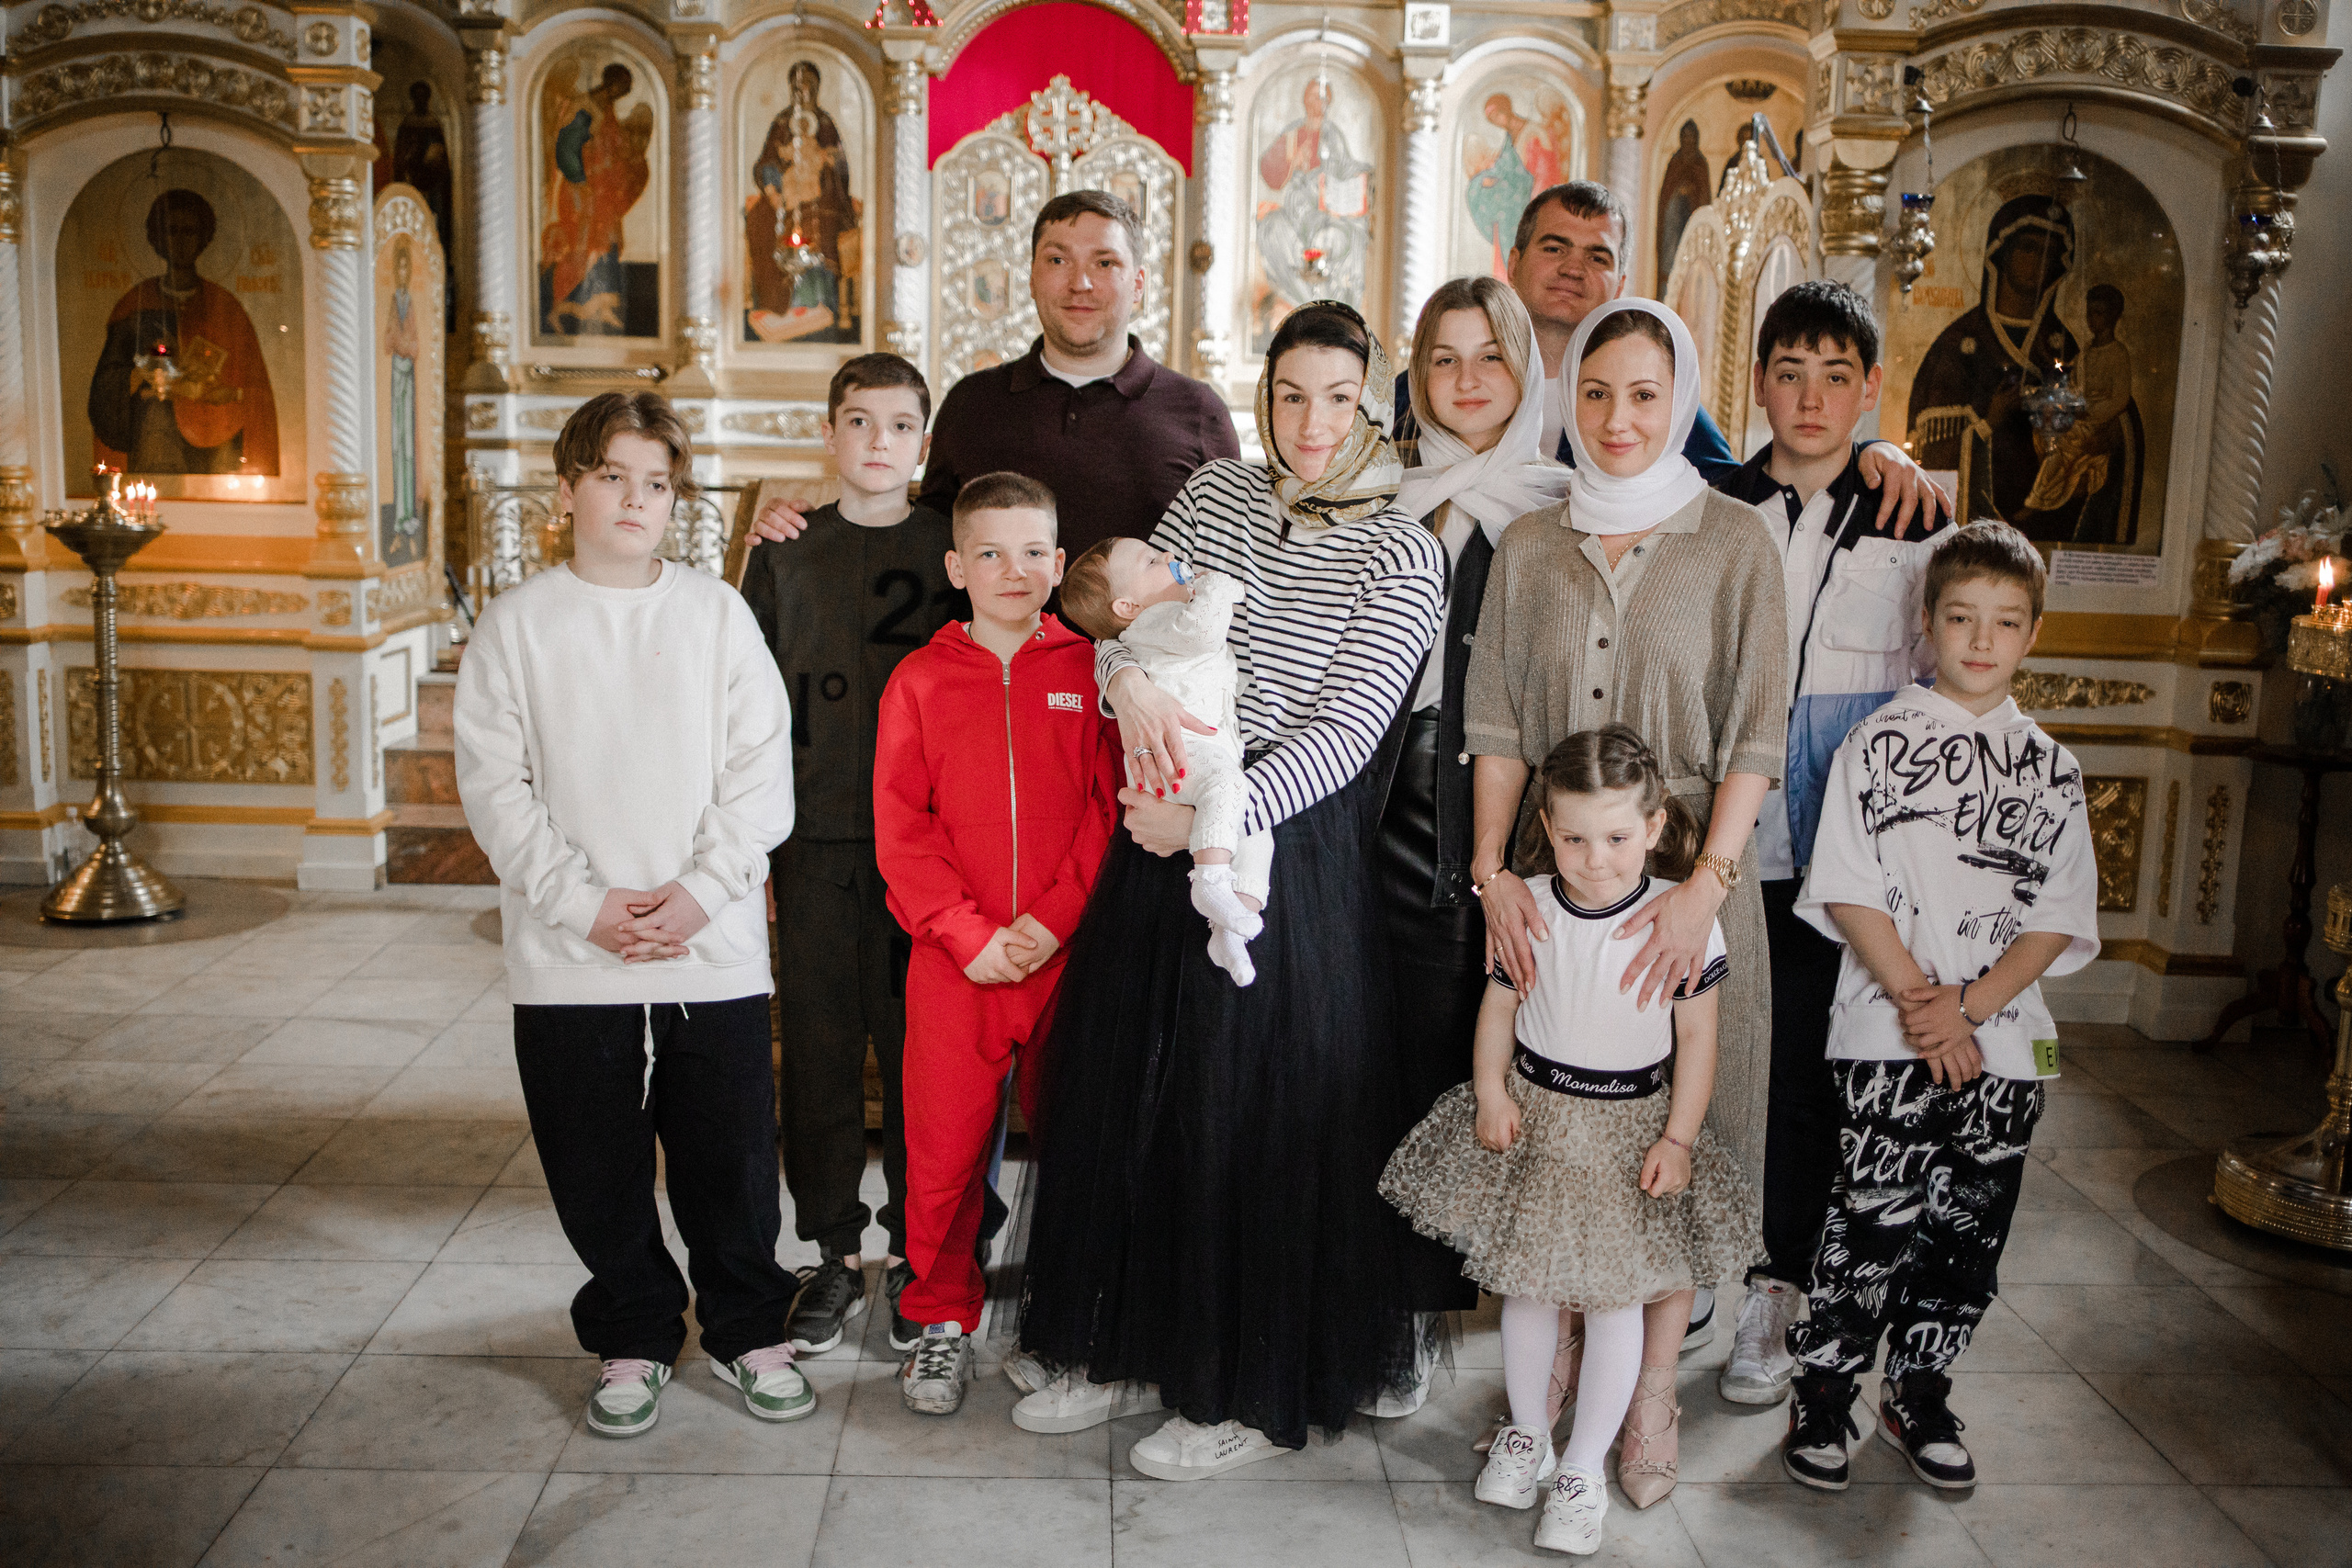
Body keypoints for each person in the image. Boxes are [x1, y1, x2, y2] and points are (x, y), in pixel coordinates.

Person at [1012, 301, 1445, 1472]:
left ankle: (1242, 1390)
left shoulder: (1405, 548)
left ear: (1372, 403)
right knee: (1137, 1098)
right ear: (1264, 398)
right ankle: (1121, 1348)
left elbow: (1350, 734)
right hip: (1164, 822)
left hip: (1286, 853)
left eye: (1338, 398)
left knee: (1243, 1126)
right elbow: (1115, 611)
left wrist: (1215, 812)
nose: (1311, 424)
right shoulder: (1210, 499)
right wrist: (1122, 687)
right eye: (1291, 395)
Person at [1466, 298, 1787, 1504]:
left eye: (1646, 393)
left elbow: (1756, 735)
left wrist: (1703, 888)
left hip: (1689, 893)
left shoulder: (1735, 539)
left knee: (1670, 1150)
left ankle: (1650, 1390)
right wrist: (1497, 876)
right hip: (1555, 894)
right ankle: (1539, 1392)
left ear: (1684, 400)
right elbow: (1496, 723)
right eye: (1596, 391)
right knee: (1556, 1145)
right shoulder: (1530, 544)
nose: (1617, 416)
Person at [452, 391, 807, 1438]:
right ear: (568, 490)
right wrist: (585, 905)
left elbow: (759, 773)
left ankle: (748, 1328)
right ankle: (635, 1331)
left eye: (656, 483)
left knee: (732, 1157)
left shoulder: (715, 615)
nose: (635, 500)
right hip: (572, 951)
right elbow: (496, 787)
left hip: (714, 945)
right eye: (613, 477)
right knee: (593, 1158)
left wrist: (698, 895)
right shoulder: (519, 626)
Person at [1382, 726, 1756, 1552]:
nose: (1596, 857)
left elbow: (1698, 1041)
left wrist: (1680, 1138)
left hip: (1629, 1134)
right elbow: (1501, 1008)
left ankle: (1584, 1466)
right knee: (1529, 1291)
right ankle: (1527, 1434)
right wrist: (1487, 1088)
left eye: (1618, 837)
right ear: (1548, 828)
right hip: (1539, 1119)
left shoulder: (1679, 921)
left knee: (1616, 1302)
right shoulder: (1531, 906)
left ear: (1654, 829)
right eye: (1576, 837)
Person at [1781, 520, 2098, 1492]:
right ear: (1926, 623)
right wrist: (1924, 1005)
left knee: (1967, 1230)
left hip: (2005, 1046)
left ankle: (1917, 1389)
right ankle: (1824, 1392)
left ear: (2032, 633)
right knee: (1869, 1219)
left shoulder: (2052, 769)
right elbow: (1847, 887)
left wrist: (1968, 1009)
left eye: (2004, 622)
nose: (1979, 639)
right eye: (1960, 617)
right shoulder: (1876, 744)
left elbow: (2055, 917)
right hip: (1885, 1032)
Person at [1710, 281, 1951, 1407]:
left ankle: (1776, 1288)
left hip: (1829, 855)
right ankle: (1690, 1266)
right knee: (1696, 1064)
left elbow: (1940, 685)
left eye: (1835, 376)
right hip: (1715, 840)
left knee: (1804, 1077)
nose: (1809, 398)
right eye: (1789, 372)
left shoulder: (1911, 522)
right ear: (1758, 382)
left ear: (1868, 389)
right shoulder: (1711, 503)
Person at [873, 471, 1122, 1415]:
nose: (1011, 571)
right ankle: (941, 1318)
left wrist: (1053, 922)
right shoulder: (921, 680)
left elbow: (1108, 809)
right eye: (988, 552)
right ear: (954, 567)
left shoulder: (1096, 672)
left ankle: (1070, 1316)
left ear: (1060, 565)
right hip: (958, 965)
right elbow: (903, 826)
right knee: (941, 1155)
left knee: (1081, 1146)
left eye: (1030, 552)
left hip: (1067, 962)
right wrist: (966, 934)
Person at [740, 353, 962, 1359]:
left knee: (926, 1057)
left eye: (900, 425)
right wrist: (750, 848)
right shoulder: (784, 550)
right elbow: (743, 707)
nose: (879, 443)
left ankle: (926, 1251)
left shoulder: (954, 549)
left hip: (930, 850)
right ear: (829, 434)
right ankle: (830, 1249)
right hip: (814, 841)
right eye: (859, 423)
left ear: (924, 442)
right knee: (822, 1054)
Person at [1384, 276, 1573, 1382]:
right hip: (1389, 804)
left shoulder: (1559, 502)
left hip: (1509, 814)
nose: (1465, 381)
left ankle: (1520, 1309)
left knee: (1497, 1060)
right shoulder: (1383, 492)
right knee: (1401, 1059)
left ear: (1523, 368)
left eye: (1488, 357)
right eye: (1443, 359)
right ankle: (1402, 1308)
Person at [1396, 182, 1947, 535]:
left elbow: (1743, 488)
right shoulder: (1434, 386)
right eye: (1554, 247)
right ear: (1513, 261)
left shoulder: (1652, 396)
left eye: (1597, 256)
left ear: (1621, 283)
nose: (1573, 268)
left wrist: (1871, 450)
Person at [750, 190, 1238, 560]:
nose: (1080, 283)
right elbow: (921, 539)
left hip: (1143, 686)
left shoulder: (1198, 412)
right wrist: (808, 528)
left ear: (1138, 285)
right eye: (1057, 260)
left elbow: (1231, 563)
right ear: (1030, 277)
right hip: (991, 681)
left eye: (1105, 262)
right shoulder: (972, 403)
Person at [1060, 540, 1269, 986]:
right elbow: (1204, 632)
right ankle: (1210, 882)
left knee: (1257, 832)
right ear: (1127, 605)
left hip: (1205, 752)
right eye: (1153, 562)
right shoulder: (1152, 622)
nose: (1171, 559)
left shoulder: (1155, 615)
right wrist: (1217, 586)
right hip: (1178, 751)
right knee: (1230, 792)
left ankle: (1230, 929)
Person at [90, 188, 279, 478]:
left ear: (203, 238)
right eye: (171, 230)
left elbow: (258, 392)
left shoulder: (226, 307)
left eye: (189, 231)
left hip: (217, 438)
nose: (180, 240)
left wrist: (229, 391)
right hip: (154, 440)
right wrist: (142, 372)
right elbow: (106, 389)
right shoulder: (134, 304)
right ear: (157, 238)